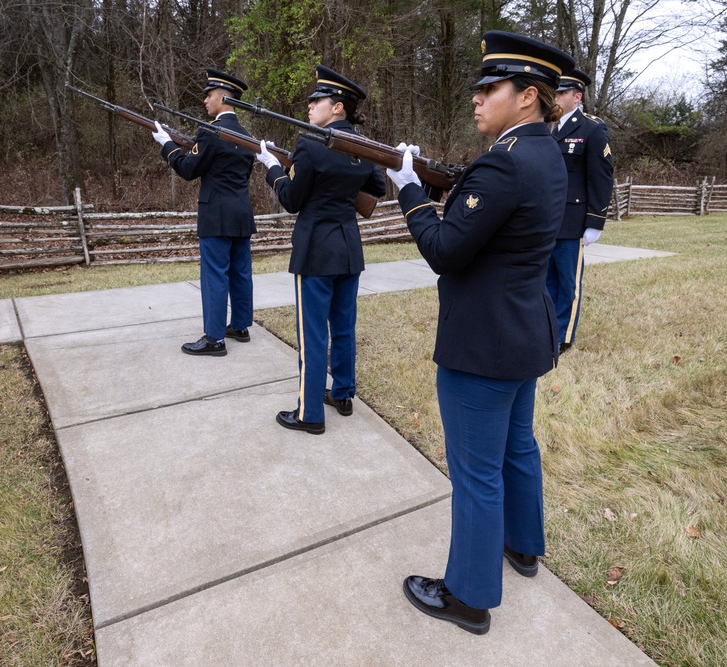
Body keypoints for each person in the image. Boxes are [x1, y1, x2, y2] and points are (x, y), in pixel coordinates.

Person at [385, 31, 574, 635]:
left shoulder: (507, 161)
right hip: (523, 334)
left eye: (489, 88)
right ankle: (523, 547)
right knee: (518, 448)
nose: (476, 98)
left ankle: (467, 596)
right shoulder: (546, 152)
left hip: (483, 345)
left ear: (527, 97)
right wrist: (447, 184)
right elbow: (493, 211)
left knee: (475, 472)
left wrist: (410, 191)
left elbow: (445, 248)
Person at [254, 65, 386, 435]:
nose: (310, 106)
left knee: (313, 334)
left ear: (338, 108)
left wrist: (273, 169)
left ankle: (309, 413)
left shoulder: (310, 144)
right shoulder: (362, 149)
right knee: (342, 327)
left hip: (316, 251)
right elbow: (376, 186)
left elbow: (292, 200)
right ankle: (342, 394)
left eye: (318, 100)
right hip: (348, 249)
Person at [151, 69, 256, 357]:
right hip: (241, 213)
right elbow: (242, 173)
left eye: (208, 95)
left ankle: (214, 338)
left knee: (215, 275)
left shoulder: (211, 132)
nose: (205, 100)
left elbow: (187, 169)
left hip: (216, 215)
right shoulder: (247, 136)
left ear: (224, 97)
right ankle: (240, 326)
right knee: (240, 272)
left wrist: (167, 145)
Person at [547, 68, 614, 353]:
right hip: (547, 219)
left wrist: (595, 221)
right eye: (555, 93)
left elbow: (601, 176)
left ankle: (563, 336)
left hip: (573, 220)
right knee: (545, 280)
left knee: (568, 283)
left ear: (577, 96)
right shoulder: (546, 127)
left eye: (562, 93)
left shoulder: (592, 128)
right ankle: (547, 329)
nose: (557, 98)